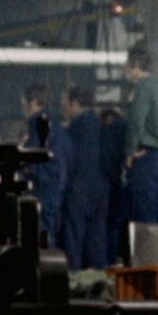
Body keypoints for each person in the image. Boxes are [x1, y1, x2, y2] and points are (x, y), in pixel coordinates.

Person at [123, 47, 158, 225]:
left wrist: (130, 151)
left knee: (145, 210)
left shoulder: (142, 87)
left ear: (135, 64)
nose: (124, 68)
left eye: (126, 64)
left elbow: (136, 119)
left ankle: (148, 244)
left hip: (146, 155)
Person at [59, 87, 109, 270]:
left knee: (74, 237)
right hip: (101, 187)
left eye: (65, 104)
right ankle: (98, 277)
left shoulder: (75, 127)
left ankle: (74, 278)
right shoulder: (101, 124)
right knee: (96, 238)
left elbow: (69, 158)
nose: (63, 109)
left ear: (75, 103)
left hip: (79, 187)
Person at [20, 85, 68, 246]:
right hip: (54, 184)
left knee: (41, 232)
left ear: (34, 102)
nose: (23, 109)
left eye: (24, 104)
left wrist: (25, 167)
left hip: (43, 185)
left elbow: (32, 155)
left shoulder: (39, 125)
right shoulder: (57, 126)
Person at [100, 107, 133, 265]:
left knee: (111, 224)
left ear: (108, 118)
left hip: (114, 185)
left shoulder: (112, 130)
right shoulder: (127, 129)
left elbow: (109, 159)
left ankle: (110, 258)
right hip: (126, 185)